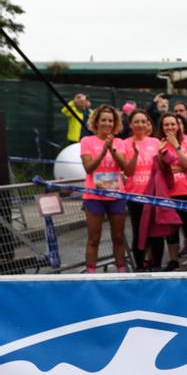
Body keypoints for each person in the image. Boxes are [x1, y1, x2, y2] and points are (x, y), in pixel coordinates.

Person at [79, 104, 132, 273]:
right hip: (94, 196)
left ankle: (121, 271)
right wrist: (103, 152)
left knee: (118, 237)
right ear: (96, 122)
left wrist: (112, 150)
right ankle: (91, 274)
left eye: (110, 120)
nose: (107, 124)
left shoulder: (120, 142)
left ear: (115, 123)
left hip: (116, 194)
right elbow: (88, 168)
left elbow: (124, 166)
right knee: (94, 238)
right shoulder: (87, 141)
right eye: (103, 120)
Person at [158, 113, 187, 271]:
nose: (169, 128)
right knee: (171, 231)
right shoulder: (160, 144)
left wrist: (176, 146)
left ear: (178, 125)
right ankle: (173, 260)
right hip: (168, 193)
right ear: (161, 127)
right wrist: (161, 155)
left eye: (172, 124)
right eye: (166, 125)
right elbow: (163, 169)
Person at [124, 109, 162, 270]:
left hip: (154, 195)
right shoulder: (125, 143)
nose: (140, 125)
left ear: (148, 124)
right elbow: (128, 172)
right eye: (136, 122)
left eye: (143, 121)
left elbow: (161, 167)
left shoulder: (155, 142)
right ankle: (139, 267)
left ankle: (157, 266)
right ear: (131, 124)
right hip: (135, 196)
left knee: (157, 233)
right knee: (139, 231)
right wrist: (134, 154)